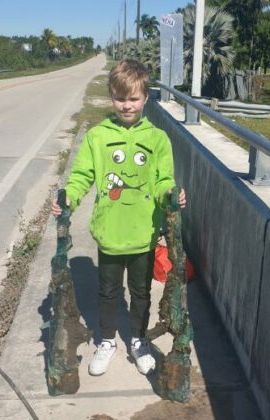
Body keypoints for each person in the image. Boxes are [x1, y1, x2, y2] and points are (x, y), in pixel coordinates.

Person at [51, 59, 186, 376]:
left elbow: (163, 180)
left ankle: (139, 340)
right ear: (112, 96)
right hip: (110, 233)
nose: (127, 105)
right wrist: (69, 197)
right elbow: (82, 176)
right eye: (120, 98)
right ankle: (107, 340)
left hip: (144, 233)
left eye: (134, 99)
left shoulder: (157, 139)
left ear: (145, 98)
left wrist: (171, 194)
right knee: (108, 292)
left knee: (141, 293)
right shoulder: (97, 137)